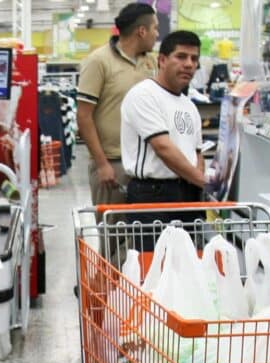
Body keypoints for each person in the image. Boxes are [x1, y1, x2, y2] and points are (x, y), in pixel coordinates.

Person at [120, 30, 205, 238]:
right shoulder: (144, 95)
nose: (189, 64)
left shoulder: (189, 106)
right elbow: (163, 148)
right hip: (152, 196)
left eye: (194, 59)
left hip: (188, 194)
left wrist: (199, 187)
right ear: (162, 60)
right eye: (181, 56)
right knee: (154, 265)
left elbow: (197, 152)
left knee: (190, 264)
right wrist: (204, 181)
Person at [76, 2, 158, 209]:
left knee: (143, 232)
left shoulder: (151, 62)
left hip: (146, 163)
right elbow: (84, 116)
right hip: (113, 163)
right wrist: (102, 164)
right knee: (114, 233)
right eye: (155, 28)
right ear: (142, 31)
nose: (157, 34)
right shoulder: (98, 61)